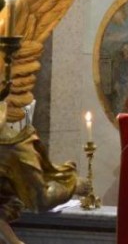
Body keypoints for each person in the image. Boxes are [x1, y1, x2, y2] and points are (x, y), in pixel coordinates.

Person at [0, 101, 90, 244]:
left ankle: (68, 181)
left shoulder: (12, 145)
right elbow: (39, 200)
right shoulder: (12, 146)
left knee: (38, 199)